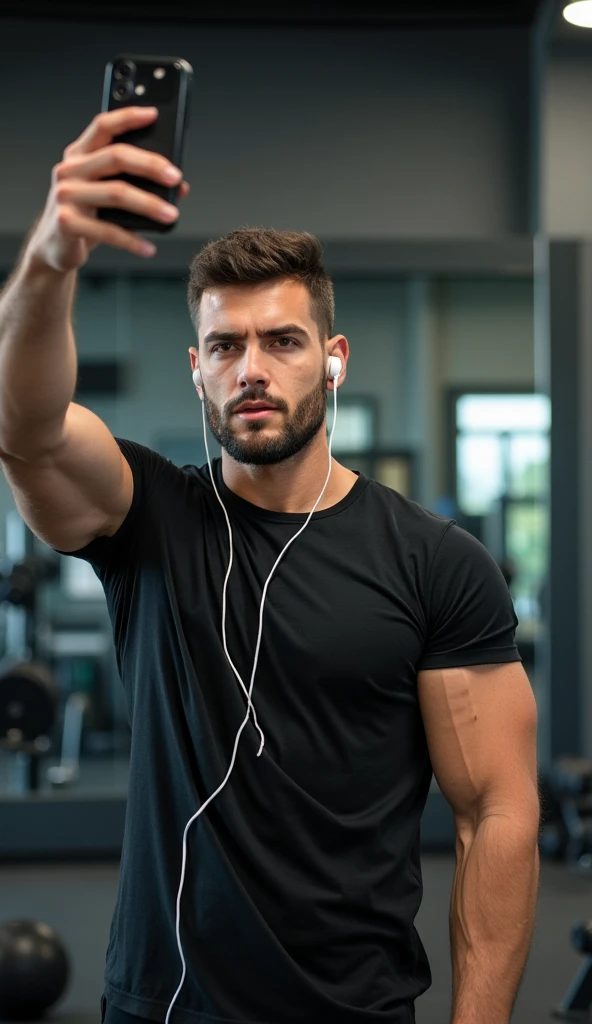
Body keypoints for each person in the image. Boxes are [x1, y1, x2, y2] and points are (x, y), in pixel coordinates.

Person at [0, 107, 540, 1024]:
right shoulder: (148, 518)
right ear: (198, 370)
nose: (252, 368)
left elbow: (497, 813)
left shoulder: (435, 562)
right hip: (164, 1005)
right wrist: (51, 256)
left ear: (331, 361)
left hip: (355, 1007)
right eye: (226, 346)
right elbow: (27, 430)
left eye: (282, 341)